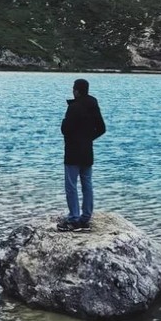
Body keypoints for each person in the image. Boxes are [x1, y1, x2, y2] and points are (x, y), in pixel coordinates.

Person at [60, 78, 105, 229]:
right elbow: (102, 128)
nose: (73, 91)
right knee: (87, 184)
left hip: (73, 152)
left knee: (71, 186)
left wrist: (64, 123)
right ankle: (86, 217)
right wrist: (87, 139)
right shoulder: (93, 105)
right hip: (87, 151)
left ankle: (74, 218)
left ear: (77, 90)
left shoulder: (74, 107)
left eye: (73, 88)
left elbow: (65, 130)